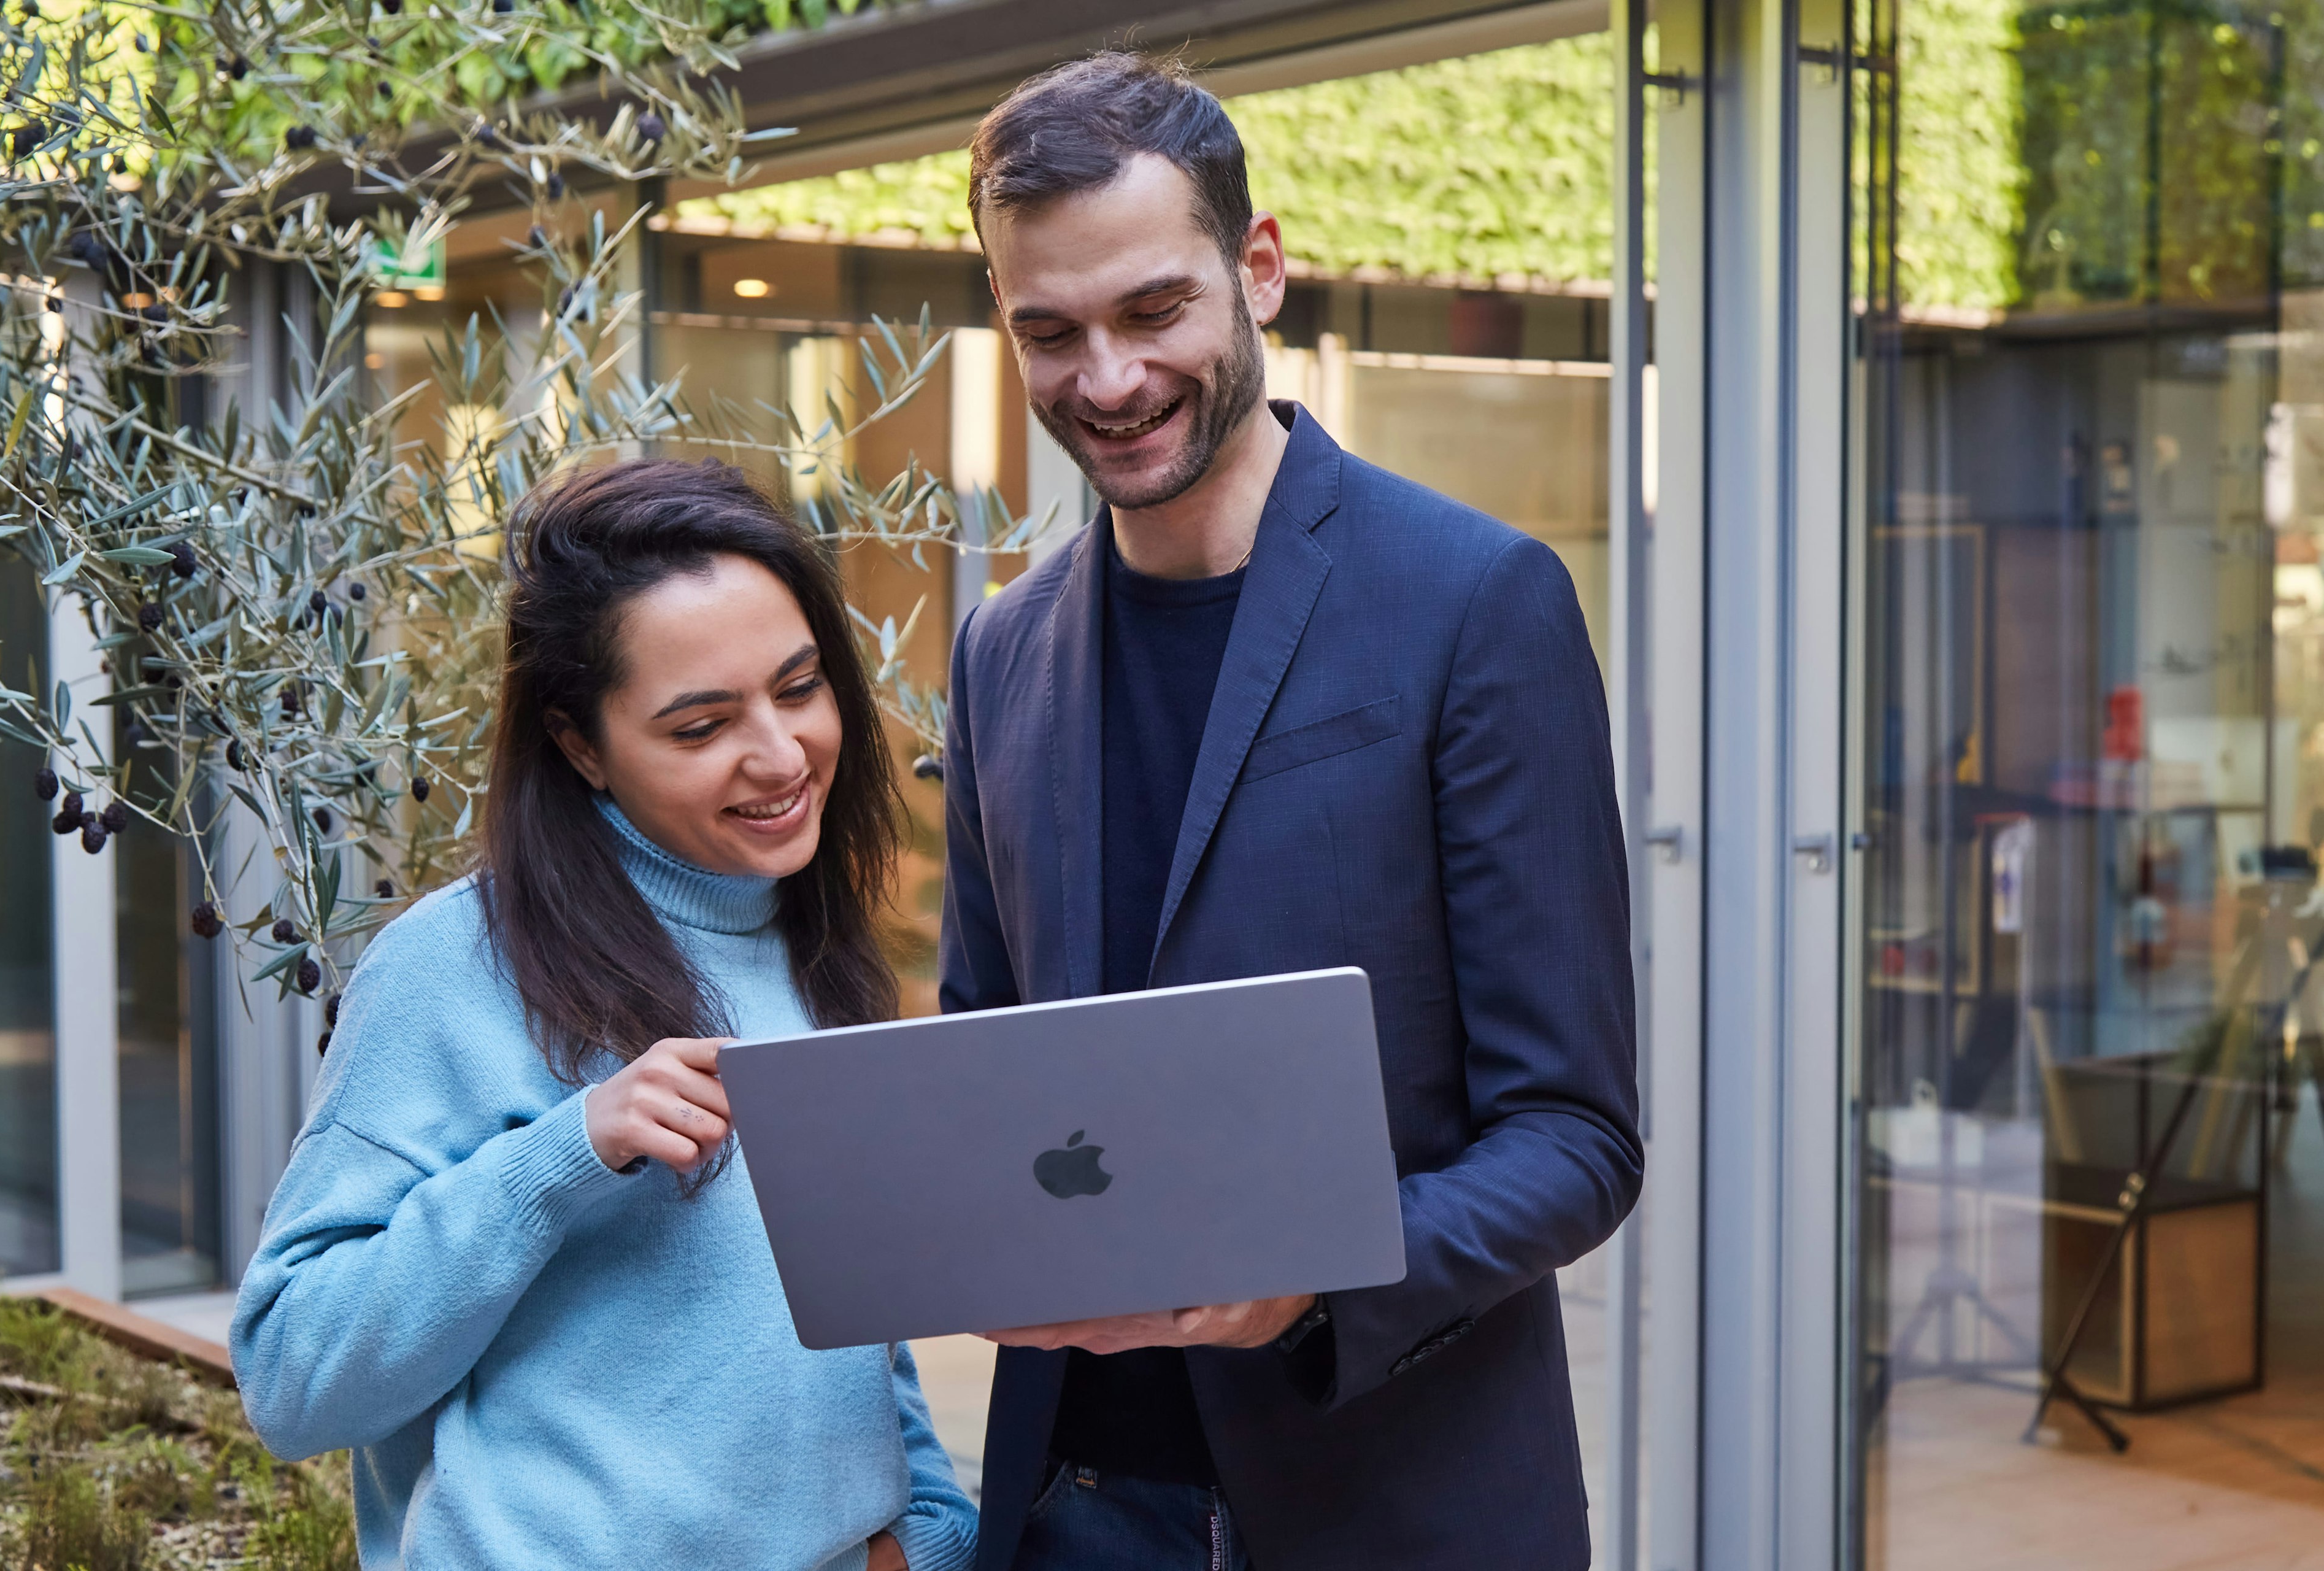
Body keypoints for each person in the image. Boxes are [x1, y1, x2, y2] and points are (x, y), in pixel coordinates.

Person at [938, 52, 1643, 1571]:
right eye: (1047, 333)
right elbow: (988, 1067)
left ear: (1259, 270)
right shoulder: (1001, 651)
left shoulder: (1477, 603)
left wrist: (1316, 1278)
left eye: (1151, 311)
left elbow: (1577, 1136)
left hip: (1390, 1500)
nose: (1106, 381)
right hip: (1066, 1509)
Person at [231, 460, 978, 1571]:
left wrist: (930, 1531)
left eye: (801, 686)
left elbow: (847, 1316)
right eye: (699, 726)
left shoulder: (811, 941)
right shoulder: (454, 966)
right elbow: (293, 1378)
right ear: (579, 745)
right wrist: (561, 1157)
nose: (779, 757)